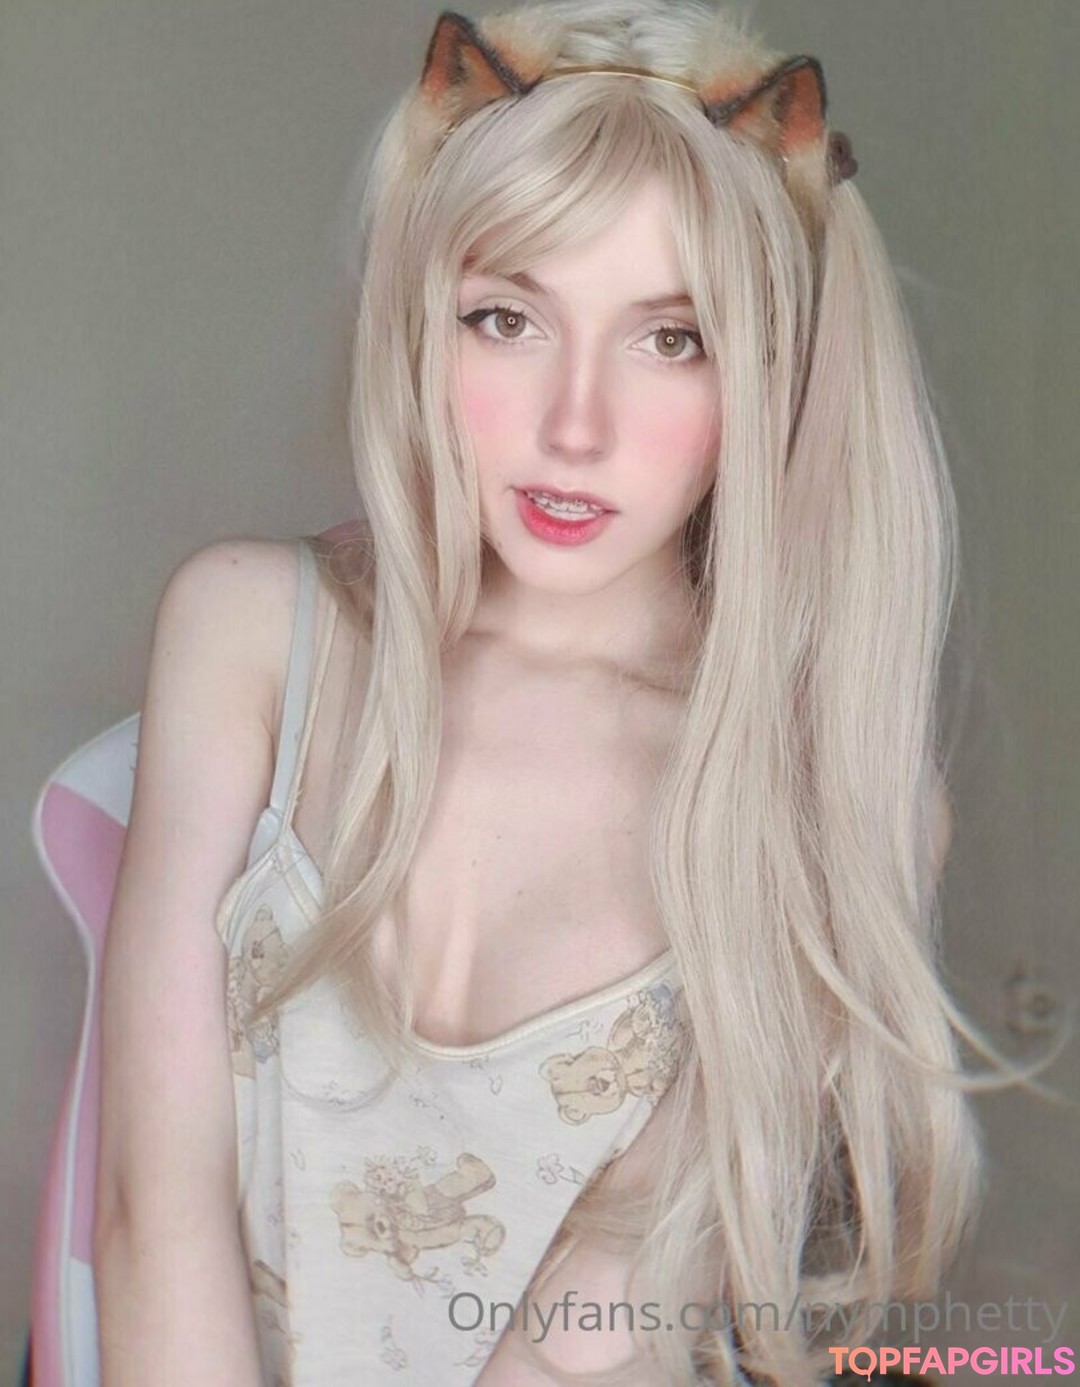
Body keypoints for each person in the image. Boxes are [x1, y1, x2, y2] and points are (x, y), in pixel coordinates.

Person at [90, 2, 991, 1383]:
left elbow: (582, 1345)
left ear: (775, 371)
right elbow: (152, 1213)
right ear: (423, 321)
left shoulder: (823, 794)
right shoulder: (248, 634)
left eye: (672, 338)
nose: (576, 425)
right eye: (507, 318)